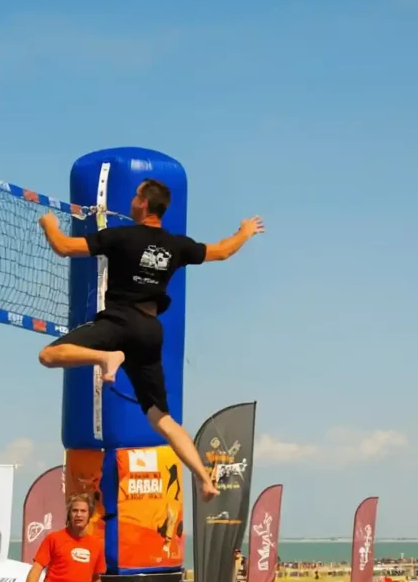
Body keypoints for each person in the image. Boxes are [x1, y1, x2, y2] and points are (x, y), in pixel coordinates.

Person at [38, 180, 263, 501]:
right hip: (149, 329)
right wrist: (245, 230)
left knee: (48, 355)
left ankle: (105, 358)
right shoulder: (176, 245)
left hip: (119, 322)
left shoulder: (120, 236)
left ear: (143, 203)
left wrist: (49, 224)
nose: (131, 199)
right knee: (162, 418)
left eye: (135, 195)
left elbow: (63, 246)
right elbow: (223, 251)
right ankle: (204, 478)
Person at [23, 493, 105, 582]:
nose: (78, 515)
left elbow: (96, 579)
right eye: (75, 511)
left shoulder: (96, 545)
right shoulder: (54, 539)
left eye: (83, 511)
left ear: (89, 515)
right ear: (69, 514)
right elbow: (36, 569)